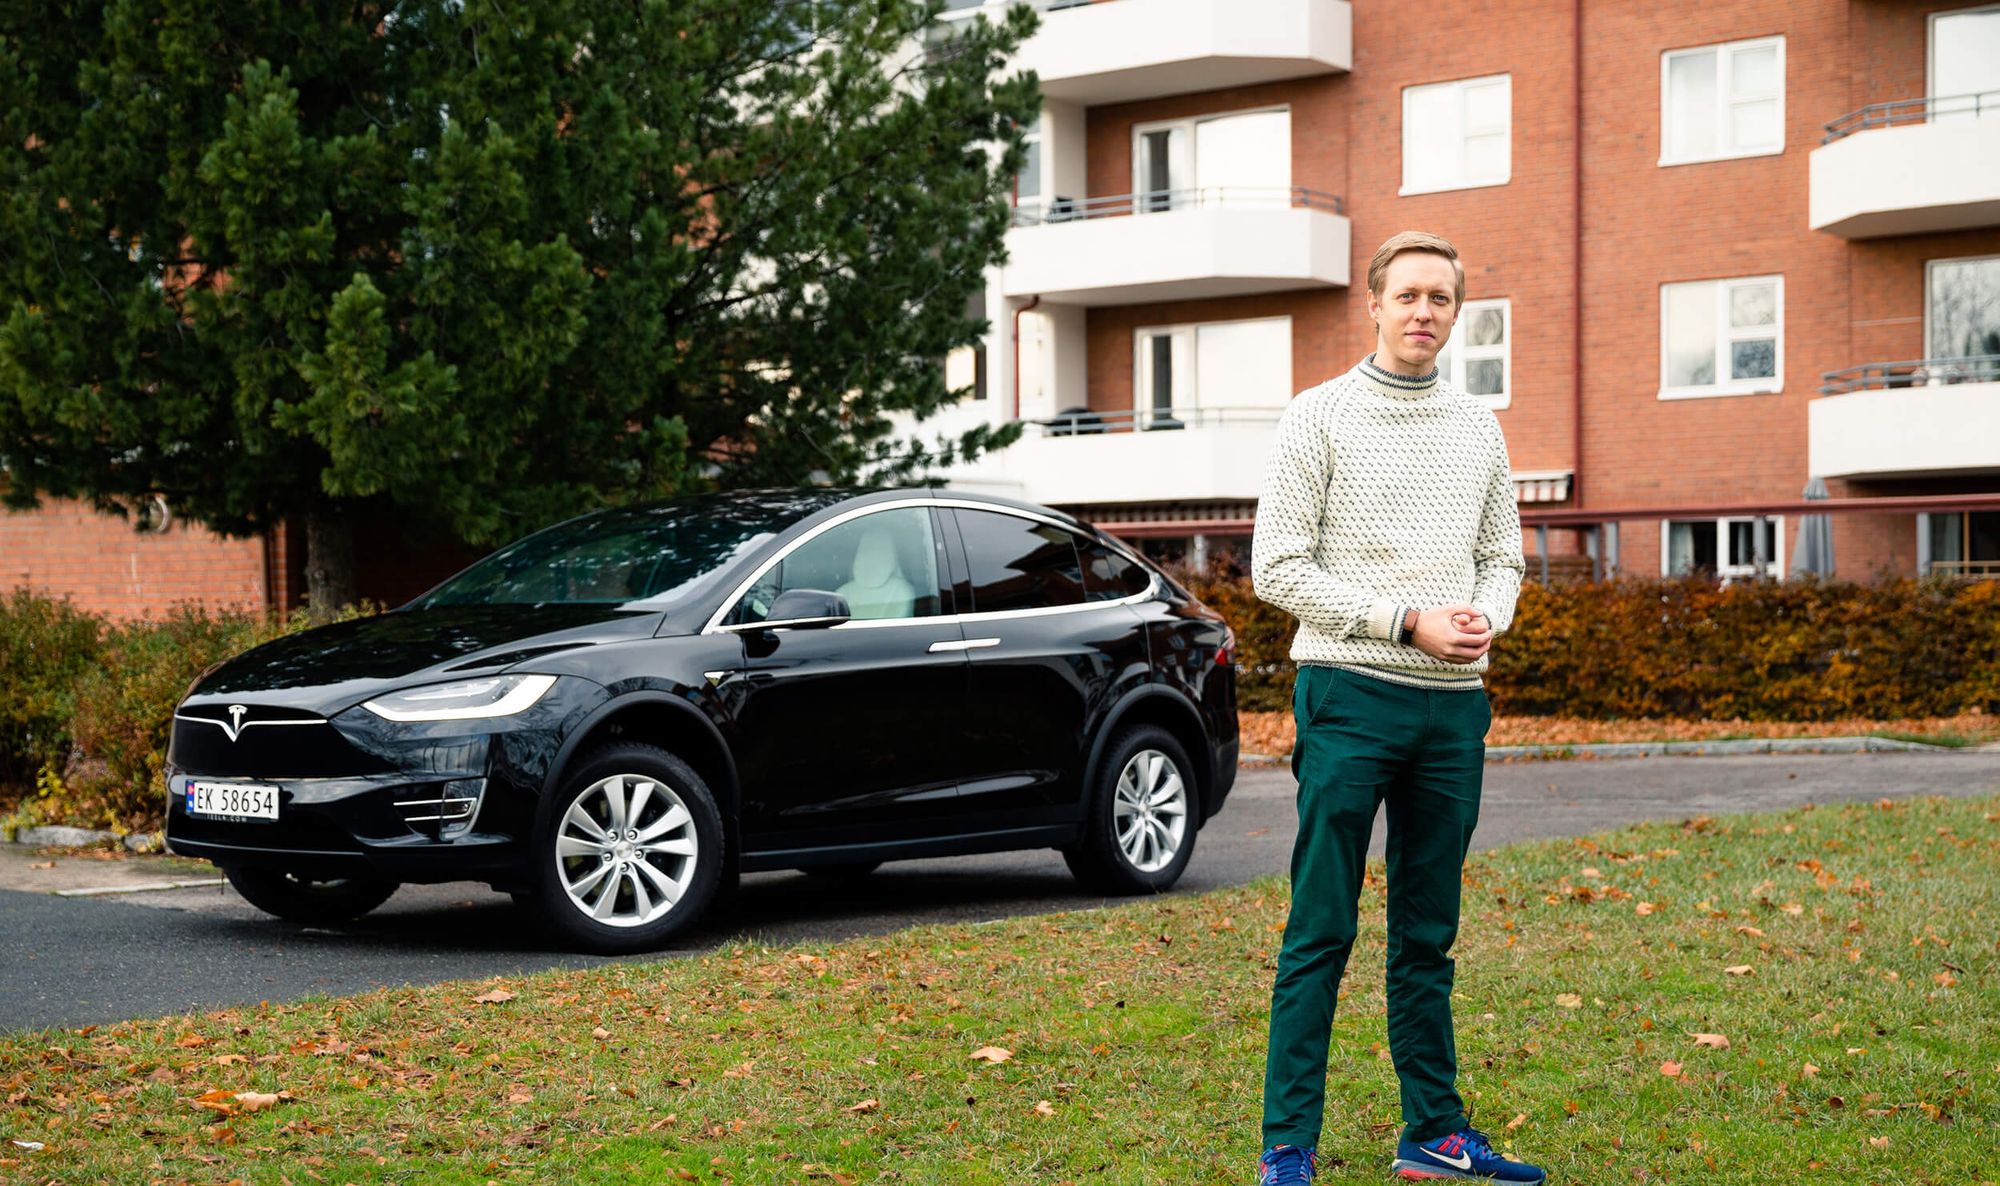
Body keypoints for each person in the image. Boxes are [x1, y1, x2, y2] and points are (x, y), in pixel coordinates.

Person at [1249, 231, 1540, 1184]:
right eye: (1407, 295)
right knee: (1321, 927)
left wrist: (1484, 618)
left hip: (1452, 712)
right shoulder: (1318, 416)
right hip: (1349, 696)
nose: (1423, 312)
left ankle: (1434, 1133)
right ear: (1373, 305)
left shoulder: (1478, 426)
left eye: (1440, 299)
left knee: (1427, 932)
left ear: (1457, 313)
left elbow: (1502, 557)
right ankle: (1288, 1145)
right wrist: (1406, 621)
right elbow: (1276, 567)